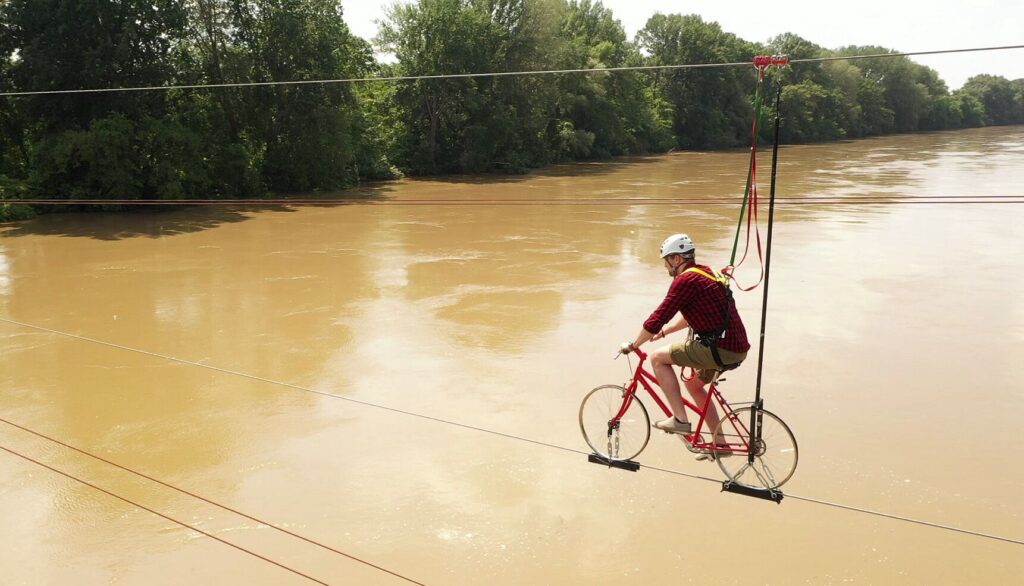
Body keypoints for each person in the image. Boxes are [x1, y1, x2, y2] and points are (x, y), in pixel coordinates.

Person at [620, 233, 750, 451]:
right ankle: (720, 443)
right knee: (693, 384)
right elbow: (693, 315)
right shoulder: (706, 273)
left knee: (658, 359)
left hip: (720, 349)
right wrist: (664, 333)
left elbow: (657, 317)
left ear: (677, 259)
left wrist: (634, 344)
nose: (665, 267)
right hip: (736, 346)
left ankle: (680, 420)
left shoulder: (685, 281)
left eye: (666, 260)